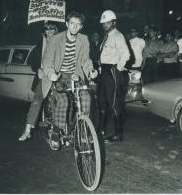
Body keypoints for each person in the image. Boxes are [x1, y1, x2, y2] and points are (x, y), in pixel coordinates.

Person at [42, 11, 98, 150]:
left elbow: (85, 59)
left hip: (75, 75)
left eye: (78, 25)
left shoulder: (83, 39)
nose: (74, 27)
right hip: (59, 75)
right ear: (67, 24)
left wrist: (91, 70)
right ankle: (55, 133)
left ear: (81, 27)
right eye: (72, 23)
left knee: (86, 97)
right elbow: (47, 61)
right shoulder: (55, 39)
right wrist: (52, 74)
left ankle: (83, 130)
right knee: (63, 101)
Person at [18, 21, 58, 141]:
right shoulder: (41, 44)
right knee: (37, 100)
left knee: (62, 101)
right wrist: (38, 68)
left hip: (57, 76)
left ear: (56, 29)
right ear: (44, 31)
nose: (49, 31)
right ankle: (27, 130)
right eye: (47, 29)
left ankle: (59, 131)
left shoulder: (62, 42)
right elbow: (32, 61)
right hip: (43, 76)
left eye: (52, 28)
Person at [99, 10, 130, 143]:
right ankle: (101, 130)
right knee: (102, 101)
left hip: (112, 71)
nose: (105, 25)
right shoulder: (107, 36)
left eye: (107, 22)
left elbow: (126, 54)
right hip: (104, 72)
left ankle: (118, 134)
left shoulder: (118, 36)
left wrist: (117, 68)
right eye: (103, 23)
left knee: (113, 103)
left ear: (113, 22)